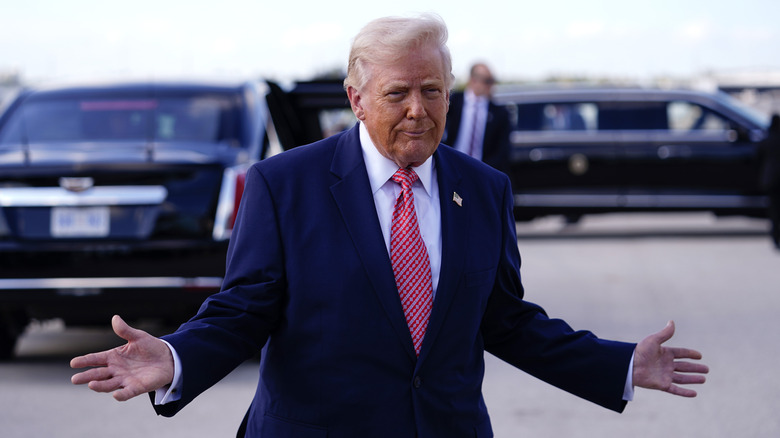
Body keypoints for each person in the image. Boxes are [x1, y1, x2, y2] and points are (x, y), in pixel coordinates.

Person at [71, 14, 708, 437]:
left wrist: (618, 365)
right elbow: (243, 310)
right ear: (356, 98)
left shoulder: (484, 189)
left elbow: (507, 320)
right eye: (397, 93)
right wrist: (176, 355)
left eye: (432, 90)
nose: (418, 110)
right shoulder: (284, 184)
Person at [443, 62, 512, 174]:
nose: (491, 85)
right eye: (487, 81)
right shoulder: (452, 102)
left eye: (492, 81)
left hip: (481, 170)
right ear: (473, 80)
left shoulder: (500, 113)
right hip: (451, 166)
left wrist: (483, 170)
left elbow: (502, 150)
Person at [758, 114, 780, 248]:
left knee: (774, 209)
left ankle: (775, 236)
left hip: (771, 180)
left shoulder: (767, 140)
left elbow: (757, 158)